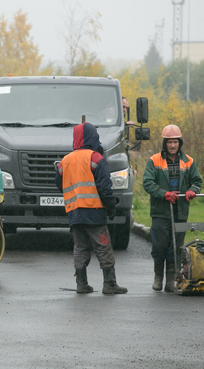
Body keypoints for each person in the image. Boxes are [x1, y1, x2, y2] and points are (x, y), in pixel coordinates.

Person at [55, 122, 127, 294]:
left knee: (80, 247)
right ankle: (109, 284)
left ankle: (81, 283)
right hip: (94, 211)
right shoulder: (95, 158)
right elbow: (104, 187)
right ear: (93, 137)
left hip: (74, 213)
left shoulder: (65, 160)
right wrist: (110, 206)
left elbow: (59, 184)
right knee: (103, 246)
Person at [143, 124, 201, 292]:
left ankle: (170, 280)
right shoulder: (154, 160)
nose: (173, 145)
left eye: (175, 142)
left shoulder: (188, 161)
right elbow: (147, 183)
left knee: (176, 246)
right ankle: (158, 277)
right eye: (169, 142)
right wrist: (163, 194)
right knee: (160, 245)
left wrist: (192, 191)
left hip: (180, 211)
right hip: (161, 211)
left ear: (179, 143)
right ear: (164, 143)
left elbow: (197, 182)